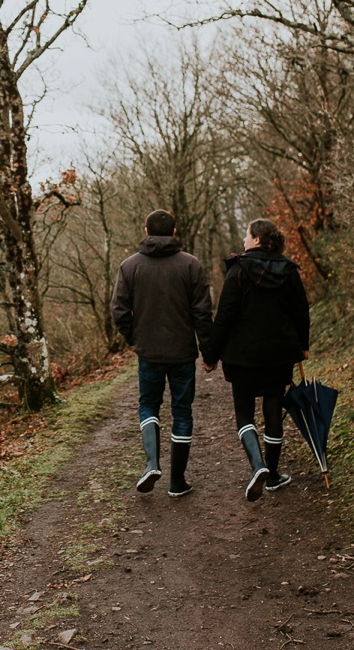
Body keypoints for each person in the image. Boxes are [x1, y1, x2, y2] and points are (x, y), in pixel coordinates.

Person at [111, 209, 215, 497]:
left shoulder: (129, 267)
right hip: (182, 353)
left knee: (148, 405)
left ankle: (152, 463)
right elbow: (202, 313)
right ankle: (176, 482)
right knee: (182, 412)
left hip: (149, 353)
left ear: (146, 232)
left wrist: (135, 338)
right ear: (174, 231)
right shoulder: (190, 265)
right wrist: (208, 352)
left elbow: (119, 311)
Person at [204, 219, 310, 501]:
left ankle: (258, 465)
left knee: (244, 414)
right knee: (273, 409)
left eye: (247, 235)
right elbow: (301, 311)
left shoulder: (238, 270)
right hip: (279, 356)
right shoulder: (289, 271)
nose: (244, 240)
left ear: (258, 239)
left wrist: (211, 355)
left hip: (243, 357)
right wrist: (304, 345)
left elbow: (224, 315)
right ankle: (273, 475)